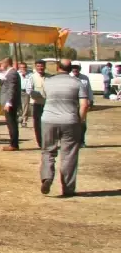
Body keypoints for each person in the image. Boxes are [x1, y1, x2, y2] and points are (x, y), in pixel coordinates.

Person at [39, 59, 89, 197]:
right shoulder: (77, 82)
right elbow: (84, 105)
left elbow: (44, 97)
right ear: (70, 68)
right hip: (70, 120)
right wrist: (80, 120)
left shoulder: (48, 81)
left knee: (48, 151)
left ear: (57, 67)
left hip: (49, 119)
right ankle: (68, 188)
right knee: (69, 155)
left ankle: (47, 177)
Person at [0, 58, 22, 151]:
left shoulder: (12, 73)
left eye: (2, 64)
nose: (1, 66)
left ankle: (14, 144)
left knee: (11, 123)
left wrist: (8, 102)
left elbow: (11, 89)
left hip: (10, 103)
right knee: (10, 123)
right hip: (9, 101)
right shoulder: (9, 73)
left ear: (6, 63)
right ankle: (13, 143)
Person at [70, 64, 93, 146]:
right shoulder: (69, 77)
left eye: (77, 68)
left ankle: (81, 141)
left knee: (82, 123)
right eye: (73, 68)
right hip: (71, 103)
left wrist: (91, 100)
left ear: (79, 69)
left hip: (82, 104)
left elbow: (89, 89)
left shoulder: (85, 78)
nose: (75, 70)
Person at [29, 61, 47, 147]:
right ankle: (40, 142)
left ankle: (47, 141)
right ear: (36, 67)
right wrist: (34, 94)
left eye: (42, 66)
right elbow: (29, 89)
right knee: (37, 124)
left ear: (45, 67)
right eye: (38, 66)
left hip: (47, 104)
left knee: (47, 123)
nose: (40, 68)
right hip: (36, 104)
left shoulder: (49, 77)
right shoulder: (32, 77)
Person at [18, 62, 33, 128]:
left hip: (26, 92)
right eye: (21, 67)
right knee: (19, 106)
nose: (23, 69)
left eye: (24, 67)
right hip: (18, 91)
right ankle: (20, 118)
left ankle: (24, 120)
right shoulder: (17, 74)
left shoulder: (30, 75)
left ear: (26, 68)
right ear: (19, 68)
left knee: (25, 106)